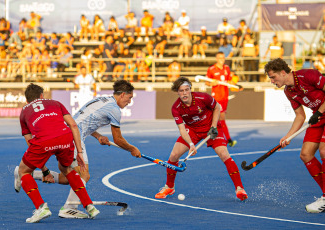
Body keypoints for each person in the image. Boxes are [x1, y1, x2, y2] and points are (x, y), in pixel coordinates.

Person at [30, 80, 141, 218]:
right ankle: (69, 207)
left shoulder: (102, 99)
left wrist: (98, 136)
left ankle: (27, 174)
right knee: (84, 175)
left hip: (65, 132)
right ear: (123, 94)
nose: (129, 102)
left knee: (68, 177)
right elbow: (118, 139)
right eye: (129, 98)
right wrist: (132, 149)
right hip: (73, 136)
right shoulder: (114, 109)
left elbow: (81, 120)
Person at [264, 58, 325, 213]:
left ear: (283, 72)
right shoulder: (288, 91)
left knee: (324, 151)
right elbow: (300, 116)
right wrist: (287, 136)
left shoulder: (307, 75)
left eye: (273, 77)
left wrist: (320, 111)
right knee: (306, 155)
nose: (272, 81)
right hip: (319, 116)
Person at [14, 83, 99, 223]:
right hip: (65, 137)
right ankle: (89, 206)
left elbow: (30, 142)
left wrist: (44, 170)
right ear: (42, 95)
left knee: (23, 171)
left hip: (43, 141)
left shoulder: (24, 111)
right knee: (66, 168)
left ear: (27, 100)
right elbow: (73, 125)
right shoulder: (55, 102)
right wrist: (79, 152)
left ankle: (41, 208)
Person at [154, 77, 247, 201]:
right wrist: (191, 144)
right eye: (181, 91)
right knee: (174, 156)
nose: (184, 93)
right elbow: (182, 129)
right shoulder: (176, 108)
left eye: (187, 90)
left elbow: (217, 107)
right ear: (177, 92)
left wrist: (213, 127)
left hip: (211, 128)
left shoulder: (203, 97)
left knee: (224, 154)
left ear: (190, 89)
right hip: (192, 130)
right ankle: (169, 187)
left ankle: (239, 188)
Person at [206, 52, 240, 147]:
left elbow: (229, 80)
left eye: (223, 57)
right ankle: (228, 140)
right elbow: (207, 82)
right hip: (217, 97)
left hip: (225, 96)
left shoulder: (226, 68)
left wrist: (233, 83)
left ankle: (210, 137)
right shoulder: (211, 69)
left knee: (217, 119)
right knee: (221, 118)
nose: (222, 59)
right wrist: (211, 83)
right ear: (216, 59)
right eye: (220, 58)